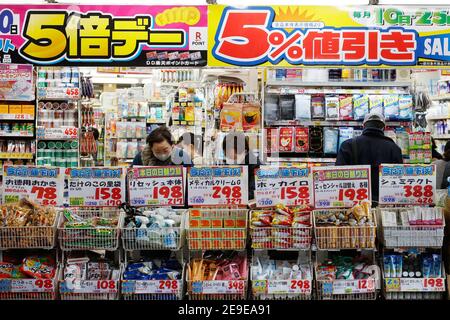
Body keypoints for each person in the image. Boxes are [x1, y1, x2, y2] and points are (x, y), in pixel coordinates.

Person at [336, 112, 403, 204]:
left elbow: (338, 176)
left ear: (363, 126)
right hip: (385, 204)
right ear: (384, 128)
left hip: (355, 204)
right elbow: (399, 180)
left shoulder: (347, 145)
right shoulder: (394, 148)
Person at [222, 132, 260, 201]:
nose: (230, 160)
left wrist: (230, 196)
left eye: (234, 157)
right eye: (227, 156)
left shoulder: (255, 165)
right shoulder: (230, 162)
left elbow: (254, 192)